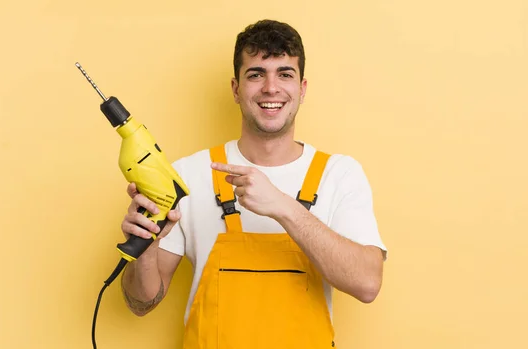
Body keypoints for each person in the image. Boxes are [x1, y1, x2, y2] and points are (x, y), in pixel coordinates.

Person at [120, 19, 387, 348]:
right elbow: (142, 302)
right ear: (236, 88)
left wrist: (284, 207)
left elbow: (367, 284)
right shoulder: (188, 176)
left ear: (302, 89)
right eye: (256, 74)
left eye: (285, 74)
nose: (271, 88)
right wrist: (145, 247)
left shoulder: (339, 174)